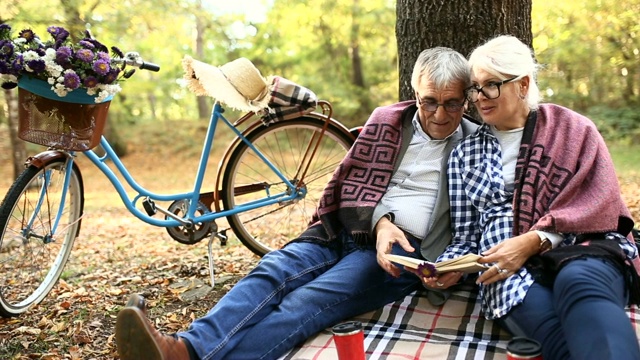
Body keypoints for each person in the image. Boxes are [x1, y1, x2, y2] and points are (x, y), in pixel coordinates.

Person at [114, 47, 479, 360]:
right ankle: (185, 350)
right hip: (342, 228)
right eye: (429, 101)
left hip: (397, 254)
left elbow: (479, 218)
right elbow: (349, 183)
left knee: (306, 303)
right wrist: (381, 222)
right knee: (273, 270)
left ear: (467, 98)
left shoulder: (476, 147)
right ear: (415, 93)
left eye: (452, 103)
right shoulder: (387, 120)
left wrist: (445, 264)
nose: (440, 115)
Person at [424, 35, 640, 360]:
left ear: (523, 84)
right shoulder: (464, 155)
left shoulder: (574, 130)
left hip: (583, 248)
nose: (480, 97)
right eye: (475, 87)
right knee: (558, 339)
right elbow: (467, 236)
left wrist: (533, 240)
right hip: (505, 272)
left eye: (491, 85)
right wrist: (448, 267)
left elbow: (599, 204)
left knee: (578, 282)